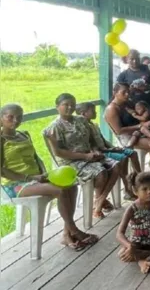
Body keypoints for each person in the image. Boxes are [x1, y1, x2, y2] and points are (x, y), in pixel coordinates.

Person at [1, 103, 99, 250]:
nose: (15, 120)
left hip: (35, 178)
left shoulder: (23, 134)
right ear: (1, 118)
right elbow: (2, 170)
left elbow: (35, 158)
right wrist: (30, 178)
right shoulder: (2, 139)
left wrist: (44, 175)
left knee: (72, 186)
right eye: (10, 117)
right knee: (59, 190)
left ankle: (66, 233)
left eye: (19, 117)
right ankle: (74, 230)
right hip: (15, 184)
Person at [45, 93, 123, 219]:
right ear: (57, 107)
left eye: (72, 104)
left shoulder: (81, 120)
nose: (70, 107)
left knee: (116, 166)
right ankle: (97, 205)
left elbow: (91, 140)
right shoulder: (55, 127)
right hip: (71, 162)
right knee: (101, 172)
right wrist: (85, 156)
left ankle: (99, 199)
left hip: (90, 156)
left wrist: (94, 150)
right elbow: (58, 152)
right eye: (66, 105)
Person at [105, 83, 150, 187]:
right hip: (129, 136)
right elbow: (119, 131)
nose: (127, 94)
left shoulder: (128, 103)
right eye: (124, 92)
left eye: (128, 91)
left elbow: (141, 115)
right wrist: (140, 126)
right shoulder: (112, 109)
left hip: (142, 129)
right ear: (115, 93)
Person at [77, 102, 141, 200]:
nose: (95, 112)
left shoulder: (94, 124)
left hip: (107, 149)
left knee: (133, 153)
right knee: (123, 158)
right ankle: (128, 190)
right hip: (101, 152)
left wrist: (113, 147)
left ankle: (139, 179)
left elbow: (103, 139)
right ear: (83, 113)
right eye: (92, 111)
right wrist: (107, 149)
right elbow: (91, 145)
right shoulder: (83, 128)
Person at [117, 50, 150, 119]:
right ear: (126, 59)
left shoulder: (149, 68)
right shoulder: (123, 76)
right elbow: (118, 94)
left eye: (137, 58)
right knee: (141, 128)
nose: (135, 61)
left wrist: (149, 87)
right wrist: (130, 90)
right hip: (135, 108)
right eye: (132, 59)